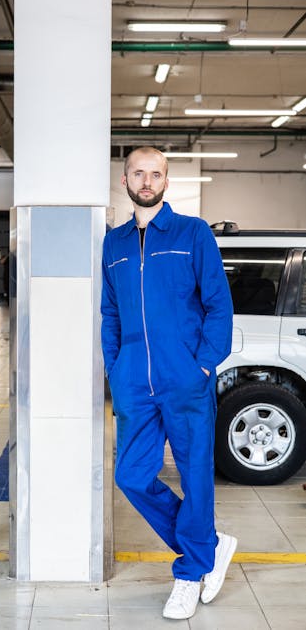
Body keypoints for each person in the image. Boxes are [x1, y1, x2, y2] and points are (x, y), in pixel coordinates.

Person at [101, 147, 237, 620]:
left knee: (196, 475)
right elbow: (110, 312)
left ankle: (189, 571)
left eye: (155, 173)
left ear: (165, 181)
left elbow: (219, 305)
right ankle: (207, 545)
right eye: (138, 172)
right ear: (125, 180)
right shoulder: (113, 244)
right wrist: (116, 367)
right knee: (131, 476)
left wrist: (202, 364)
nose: (147, 180)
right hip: (134, 381)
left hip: (185, 378)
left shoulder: (192, 233)